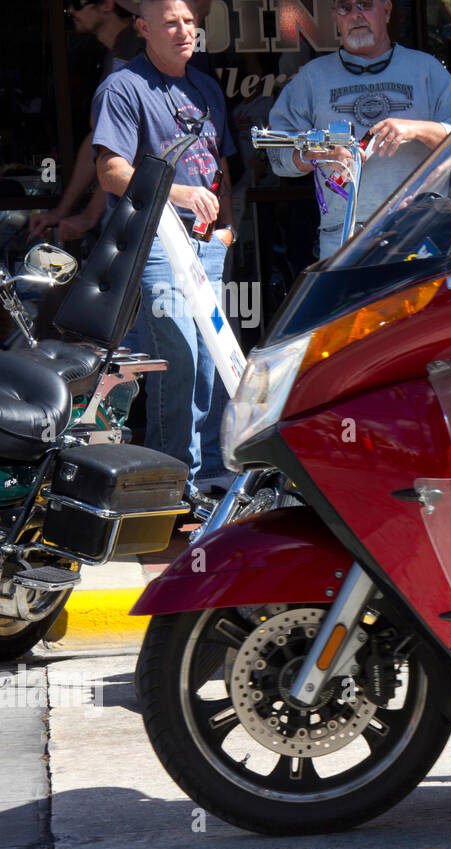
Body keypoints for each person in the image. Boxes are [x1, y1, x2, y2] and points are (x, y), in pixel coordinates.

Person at [92, 0, 235, 502]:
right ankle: (173, 485)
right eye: (171, 22)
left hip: (206, 245)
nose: (183, 31)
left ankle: (211, 479)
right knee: (179, 355)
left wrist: (227, 229)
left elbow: (219, 166)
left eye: (190, 22)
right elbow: (112, 171)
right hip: (155, 243)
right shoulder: (123, 86)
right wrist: (177, 192)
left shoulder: (207, 88)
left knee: (214, 363)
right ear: (144, 28)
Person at [267, 0, 451, 259]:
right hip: (343, 240)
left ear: (387, 10)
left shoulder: (426, 70)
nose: (355, 15)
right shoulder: (311, 78)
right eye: (344, 8)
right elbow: (277, 155)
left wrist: (417, 129)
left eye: (365, 5)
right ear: (335, 17)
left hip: (418, 234)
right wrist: (317, 155)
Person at [28, 1, 143, 244]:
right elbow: (98, 137)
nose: (70, 11)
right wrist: (63, 210)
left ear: (108, 4)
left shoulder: (135, 49)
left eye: (77, 3)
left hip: (155, 200)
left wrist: (89, 215)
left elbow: (128, 147)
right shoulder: (118, 51)